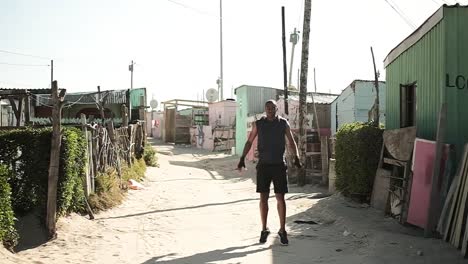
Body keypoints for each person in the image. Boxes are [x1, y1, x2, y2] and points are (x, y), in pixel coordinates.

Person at [237, 99, 301, 245]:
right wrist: (242, 158)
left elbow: (291, 142)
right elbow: (249, 141)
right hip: (264, 166)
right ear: (265, 110)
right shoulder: (258, 124)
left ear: (276, 109)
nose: (270, 110)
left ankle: (282, 230)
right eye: (268, 108)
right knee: (263, 199)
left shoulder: (283, 123)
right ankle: (264, 229)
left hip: (279, 165)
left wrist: (296, 157)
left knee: (280, 198)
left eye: (272, 108)